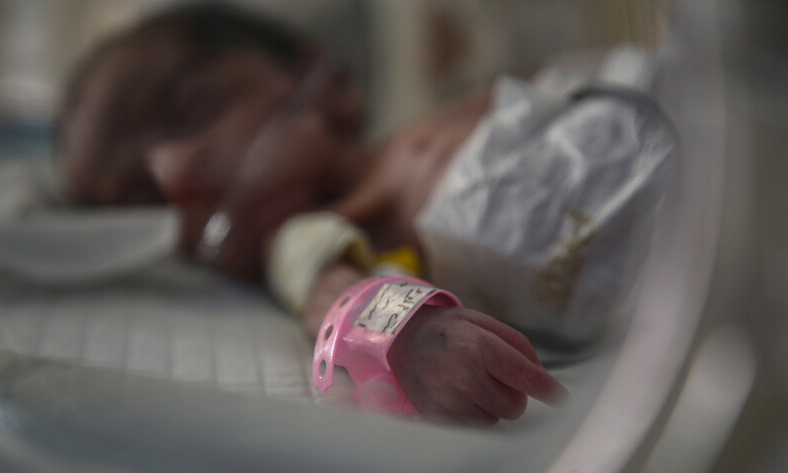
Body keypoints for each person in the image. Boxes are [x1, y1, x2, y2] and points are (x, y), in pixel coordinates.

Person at [58, 2, 674, 424]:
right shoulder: (312, 239)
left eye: (195, 105)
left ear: (326, 82)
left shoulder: (441, 124)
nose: (176, 170)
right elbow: (331, 292)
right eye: (143, 194)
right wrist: (405, 333)